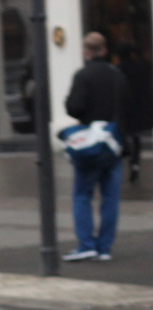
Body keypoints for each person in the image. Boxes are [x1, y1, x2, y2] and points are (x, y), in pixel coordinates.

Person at [63, 31, 131, 261]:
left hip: (90, 144)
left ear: (86, 51)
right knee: (110, 197)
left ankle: (86, 244)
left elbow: (74, 107)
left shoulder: (83, 75)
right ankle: (104, 247)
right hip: (113, 141)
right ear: (104, 50)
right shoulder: (116, 74)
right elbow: (127, 104)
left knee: (83, 194)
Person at [115, 42, 152, 182]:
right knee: (136, 137)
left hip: (124, 109)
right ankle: (135, 162)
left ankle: (130, 158)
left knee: (124, 135)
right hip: (138, 107)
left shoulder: (117, 70)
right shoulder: (141, 67)